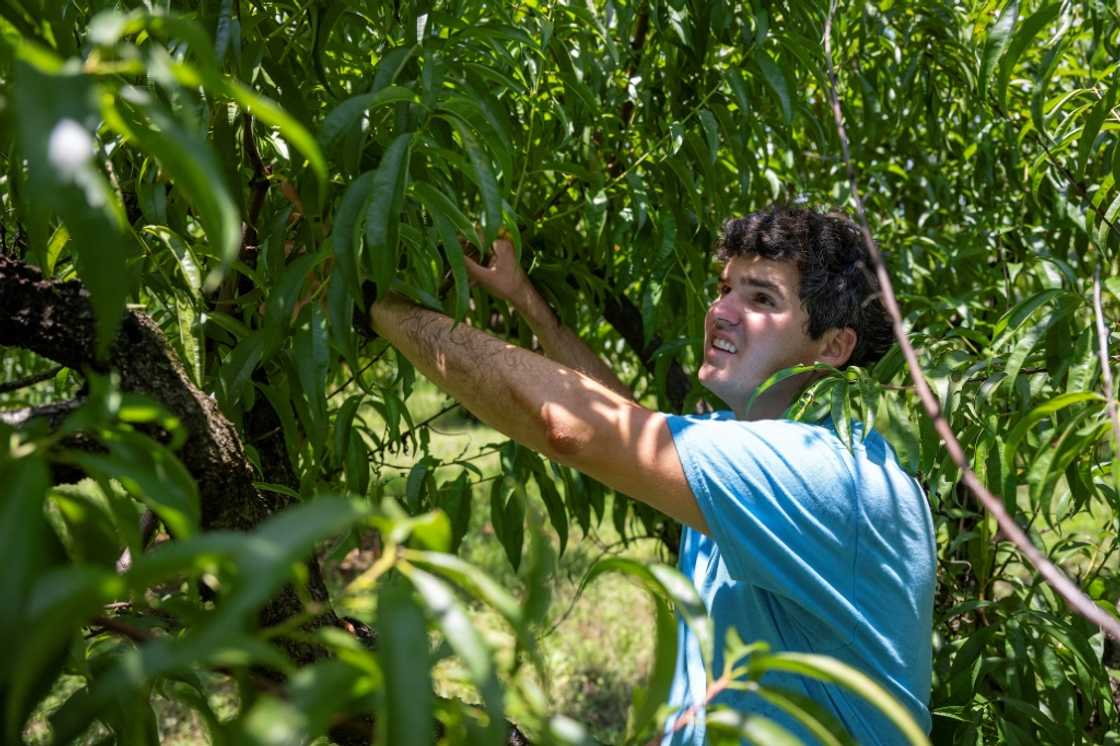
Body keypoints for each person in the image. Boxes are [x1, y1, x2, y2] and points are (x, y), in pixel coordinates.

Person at [368, 205, 936, 745]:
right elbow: (630, 425)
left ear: (833, 346)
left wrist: (378, 306)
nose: (721, 311)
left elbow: (572, 427)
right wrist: (526, 301)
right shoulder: (751, 442)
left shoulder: (823, 469)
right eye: (724, 288)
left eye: (761, 298)